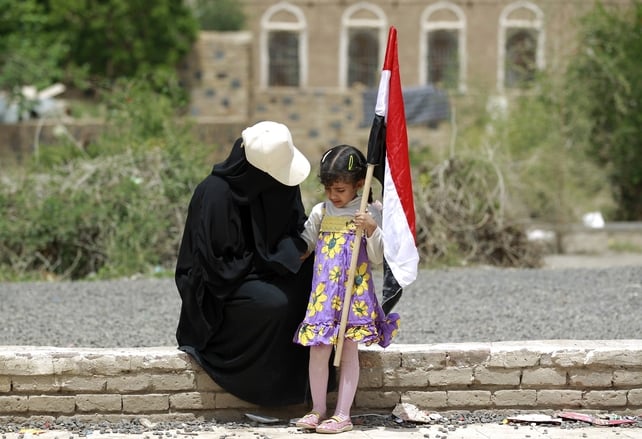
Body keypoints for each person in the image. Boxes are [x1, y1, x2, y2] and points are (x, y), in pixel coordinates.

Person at [174, 120, 317, 406]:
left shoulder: (281, 183)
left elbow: (295, 227)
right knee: (273, 304)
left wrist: (298, 250)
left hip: (265, 266)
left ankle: (309, 384)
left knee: (318, 282)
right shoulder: (215, 194)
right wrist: (278, 260)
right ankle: (266, 391)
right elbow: (217, 266)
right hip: (223, 283)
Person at [293, 145, 400, 434]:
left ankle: (342, 414)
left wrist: (372, 229)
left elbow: (379, 257)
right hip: (324, 296)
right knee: (318, 350)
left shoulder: (370, 212)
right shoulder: (320, 211)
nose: (333, 195)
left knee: (349, 352)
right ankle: (317, 409)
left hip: (355, 296)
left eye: (339, 189)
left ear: (360, 184)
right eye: (328, 189)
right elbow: (305, 246)